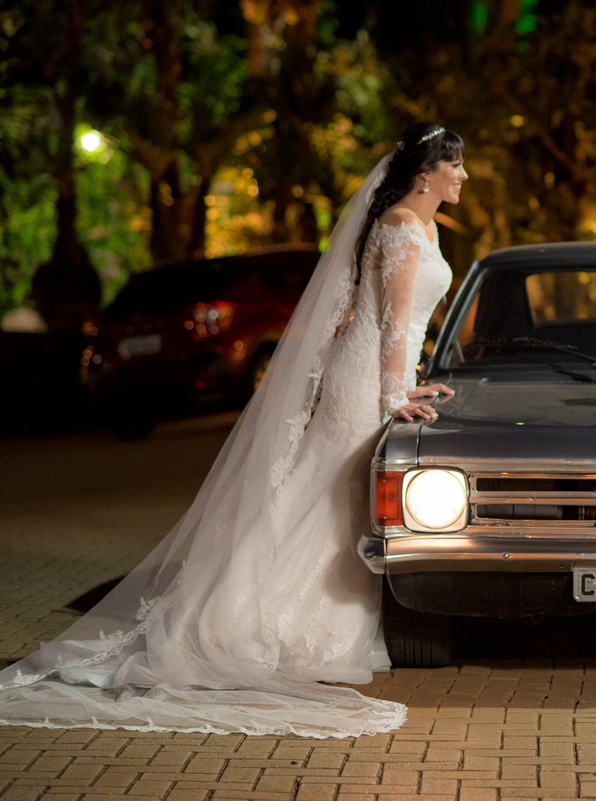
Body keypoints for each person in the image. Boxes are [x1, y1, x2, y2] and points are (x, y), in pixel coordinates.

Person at [0, 122, 466, 737]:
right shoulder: (404, 226)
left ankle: (310, 626)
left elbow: (385, 322)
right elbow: (391, 318)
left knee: (334, 500)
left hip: (379, 370)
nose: (462, 176)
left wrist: (411, 381)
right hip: (364, 380)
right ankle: (241, 624)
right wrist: (391, 395)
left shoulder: (419, 224)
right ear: (427, 170)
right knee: (333, 496)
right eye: (455, 166)